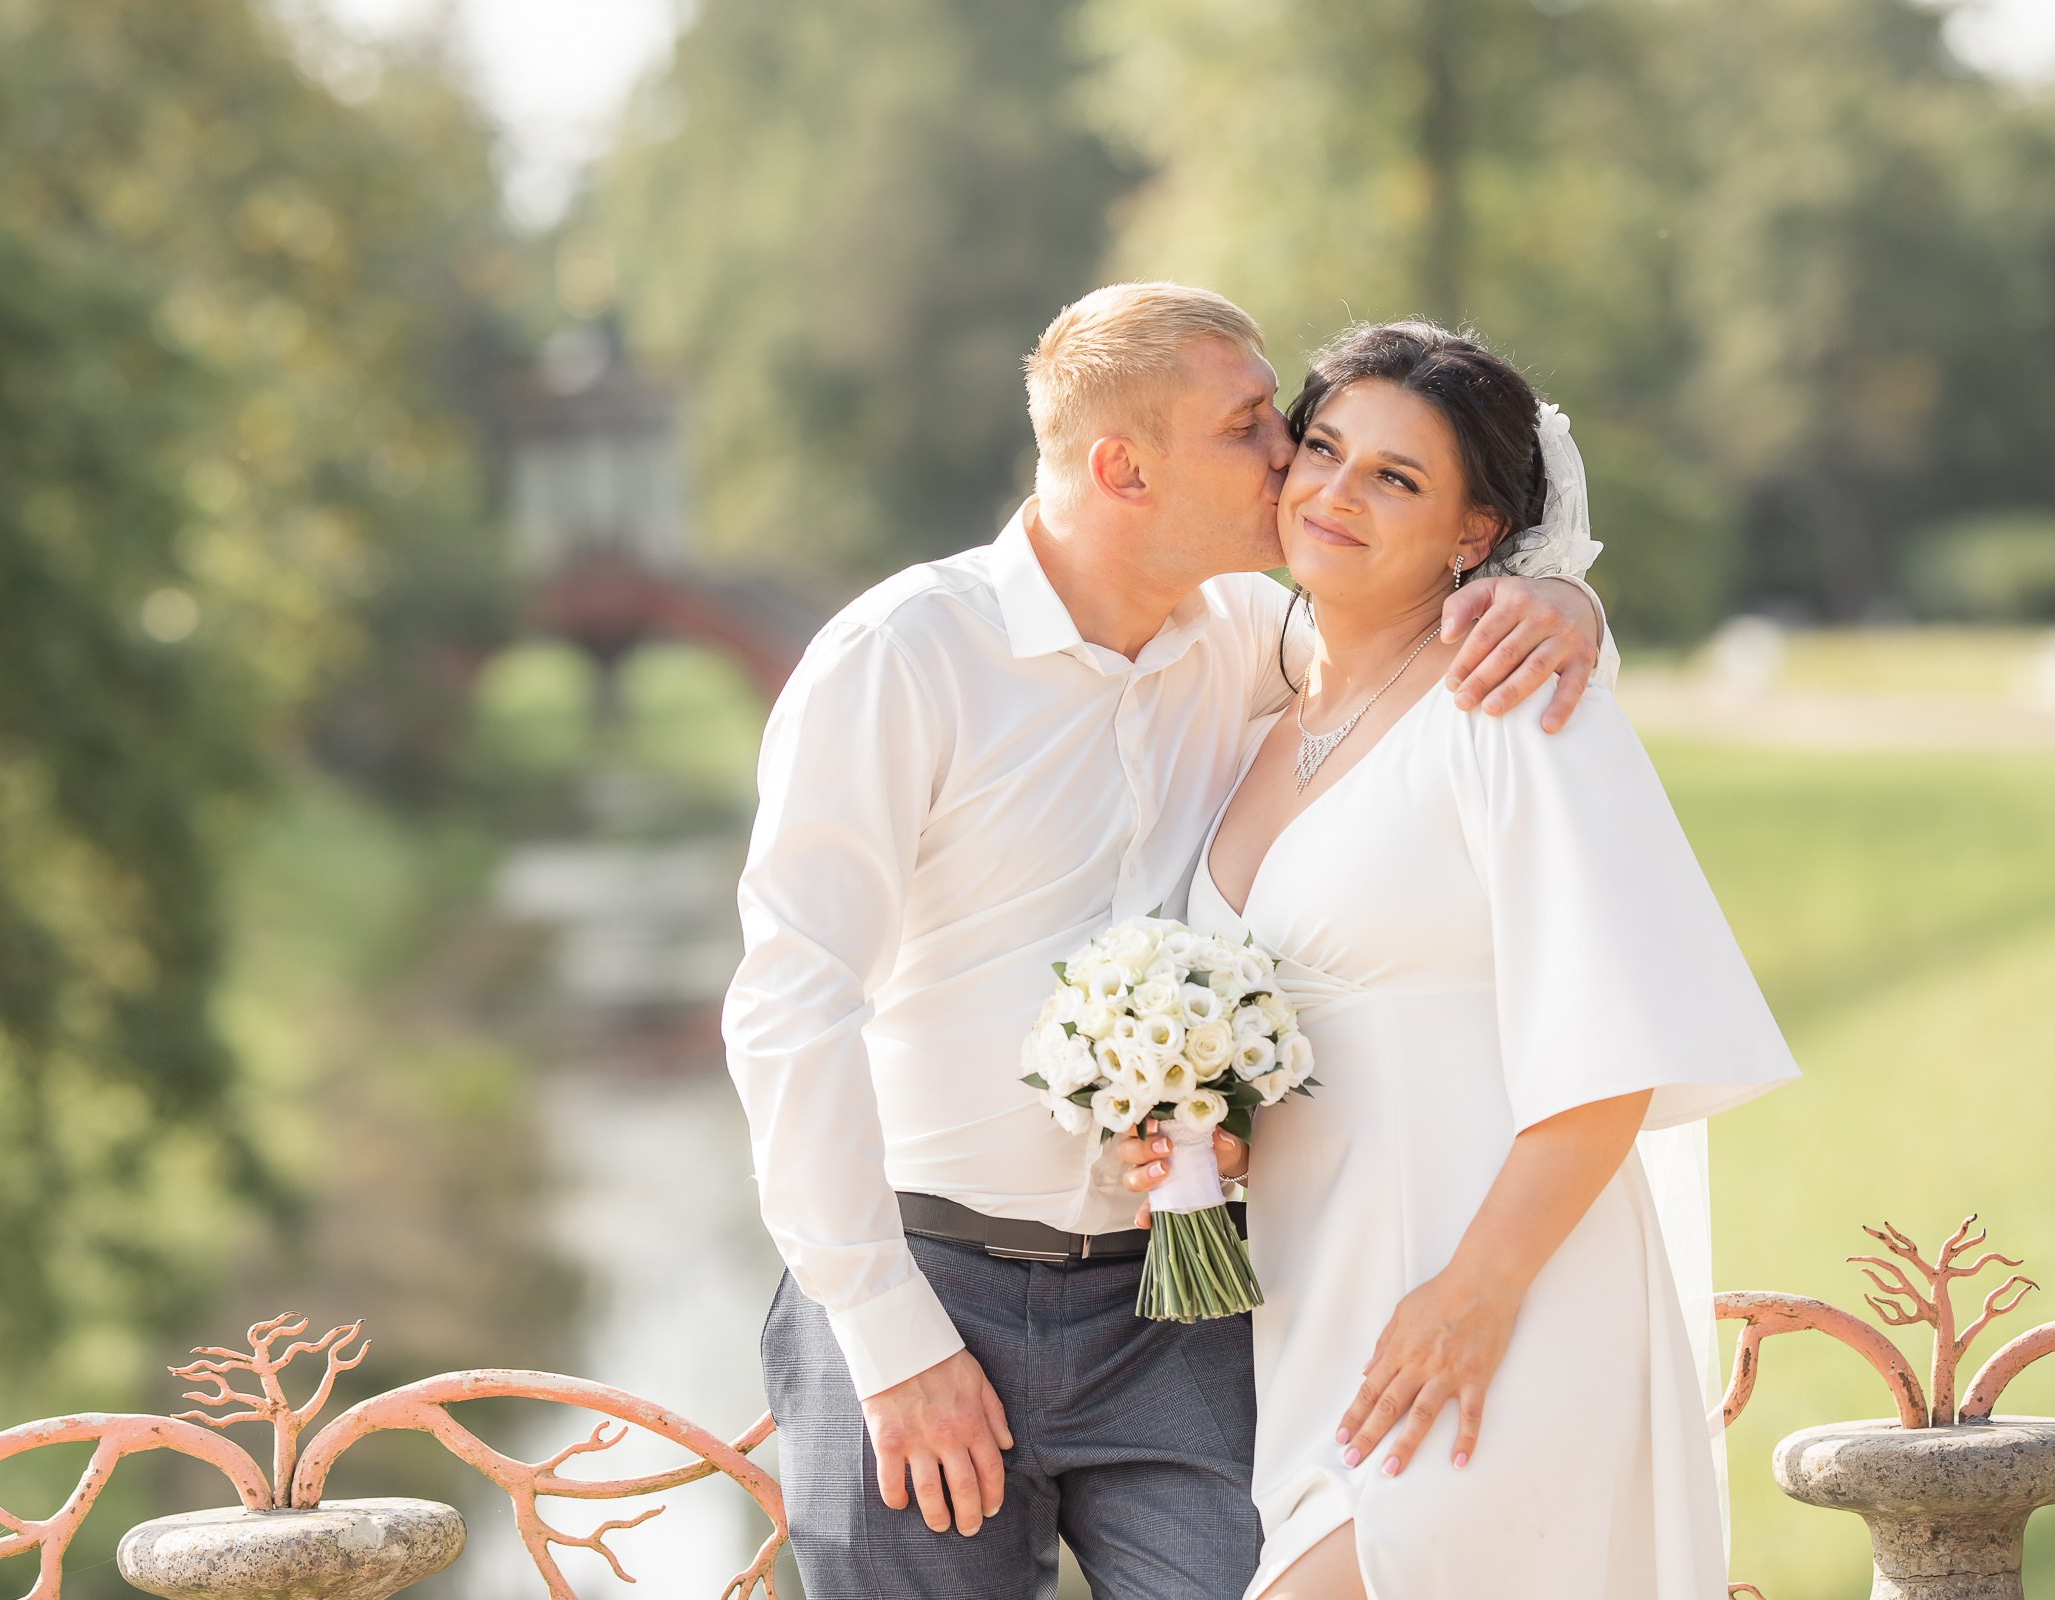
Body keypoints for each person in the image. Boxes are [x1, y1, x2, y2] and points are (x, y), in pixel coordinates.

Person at [721, 283, 1615, 1599]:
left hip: (1179, 1301)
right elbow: (790, 1006)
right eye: (1252, 424)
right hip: (924, 1285)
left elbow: (1432, 622)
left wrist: (1571, 612)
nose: (1292, 455)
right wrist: (889, 1336)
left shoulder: (1256, 640)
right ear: (1124, 466)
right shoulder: (902, 656)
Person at [1117, 320, 1799, 1598]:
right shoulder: (1253, 719)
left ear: (1476, 534)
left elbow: (1617, 1047)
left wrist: (1473, 1297)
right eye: (1322, 449)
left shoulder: (1514, 700)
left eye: (1397, 478)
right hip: (1315, 1307)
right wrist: (1202, 1125)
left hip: (1502, 1296)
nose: (1334, 491)